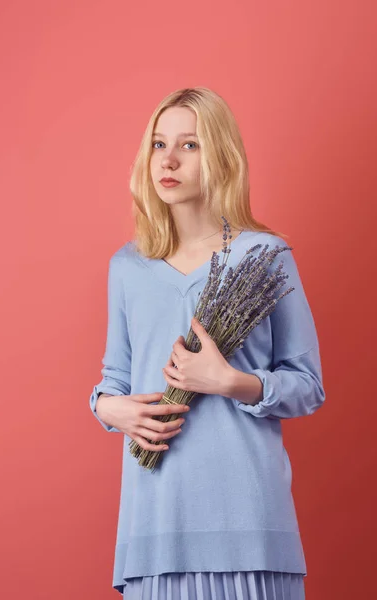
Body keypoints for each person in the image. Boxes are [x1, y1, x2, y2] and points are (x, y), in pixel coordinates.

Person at [89, 86, 326, 599]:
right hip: (155, 525)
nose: (168, 159)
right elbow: (113, 384)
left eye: (189, 145)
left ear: (220, 155)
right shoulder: (127, 267)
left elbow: (308, 386)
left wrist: (229, 382)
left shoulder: (265, 255)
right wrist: (113, 410)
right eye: (158, 144)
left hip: (250, 527)